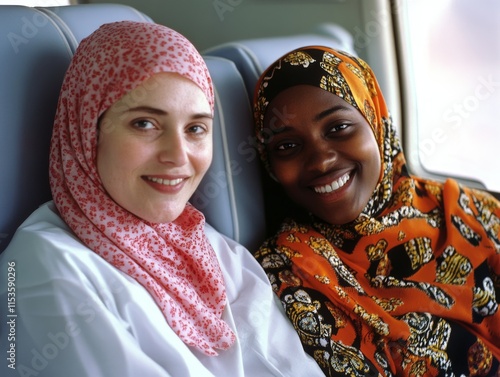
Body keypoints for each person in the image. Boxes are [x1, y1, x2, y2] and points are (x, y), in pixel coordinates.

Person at [0, 21, 324, 377]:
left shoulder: (210, 248)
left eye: (195, 128)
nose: (178, 155)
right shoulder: (45, 269)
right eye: (145, 124)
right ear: (87, 129)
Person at [252, 45, 500, 376]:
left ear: (374, 123)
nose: (321, 160)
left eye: (338, 128)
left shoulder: (471, 211)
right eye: (287, 146)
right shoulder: (287, 271)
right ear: (270, 164)